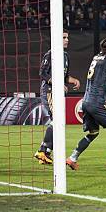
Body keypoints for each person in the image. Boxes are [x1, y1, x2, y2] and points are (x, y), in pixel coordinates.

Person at [66, 37, 106, 171]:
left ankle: (72, 158)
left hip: (86, 101)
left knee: (93, 132)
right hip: (98, 102)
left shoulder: (96, 57)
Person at [34, 30, 80, 165]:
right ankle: (42, 150)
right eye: (64, 37)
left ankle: (45, 153)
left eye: (67, 37)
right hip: (48, 91)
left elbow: (64, 76)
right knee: (57, 120)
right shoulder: (51, 53)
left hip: (57, 92)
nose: (67, 40)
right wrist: (58, 84)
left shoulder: (65, 56)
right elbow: (42, 73)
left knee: (59, 121)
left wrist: (73, 80)